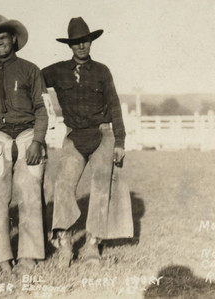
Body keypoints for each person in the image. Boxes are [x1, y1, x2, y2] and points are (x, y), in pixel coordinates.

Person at [41, 17, 133, 267]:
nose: (82, 46)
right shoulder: (57, 70)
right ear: (70, 46)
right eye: (76, 43)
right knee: (62, 184)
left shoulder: (102, 71)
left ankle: (93, 244)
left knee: (102, 184)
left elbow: (114, 105)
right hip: (74, 136)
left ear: (91, 42)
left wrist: (120, 141)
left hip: (102, 135)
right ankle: (65, 243)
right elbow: (31, 80)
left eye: (85, 41)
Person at [0, 14, 48, 272]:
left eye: (3, 38)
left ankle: (29, 256)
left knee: (29, 194)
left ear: (13, 39)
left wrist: (38, 141)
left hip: (28, 135)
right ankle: (3, 257)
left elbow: (42, 107)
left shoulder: (30, 69)